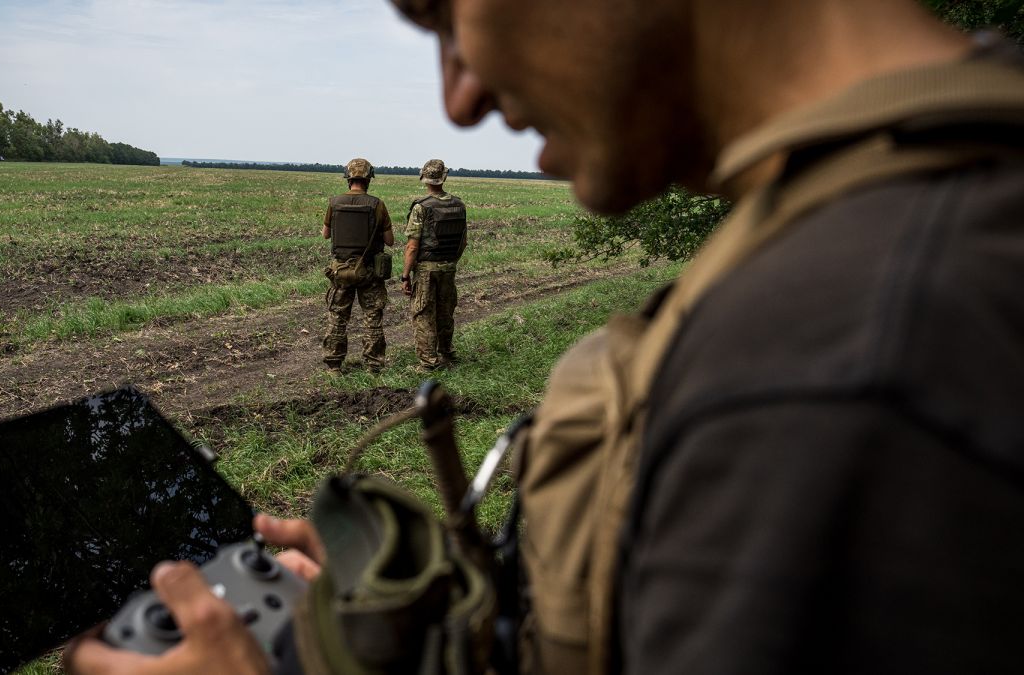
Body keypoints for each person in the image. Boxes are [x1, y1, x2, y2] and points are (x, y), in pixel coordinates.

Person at [67, 1, 1024, 673]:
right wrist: (437, 616)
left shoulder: (836, 357)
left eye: (444, 12)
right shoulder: (865, 235)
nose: (462, 94)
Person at [320, 158, 395, 374]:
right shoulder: (377, 204)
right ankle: (373, 366)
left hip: (341, 272)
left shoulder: (334, 202)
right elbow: (390, 240)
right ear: (368, 179)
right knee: (372, 318)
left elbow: (326, 234)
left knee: (337, 318)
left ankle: (334, 366)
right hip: (368, 272)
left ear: (348, 178)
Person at [401, 159, 467, 370]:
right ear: (444, 177)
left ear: (424, 178)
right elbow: (463, 241)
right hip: (448, 267)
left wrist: (405, 275)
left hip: (427, 269)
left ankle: (428, 362)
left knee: (424, 313)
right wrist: (451, 262)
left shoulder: (422, 207)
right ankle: (446, 354)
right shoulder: (459, 205)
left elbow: (412, 246)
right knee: (445, 311)